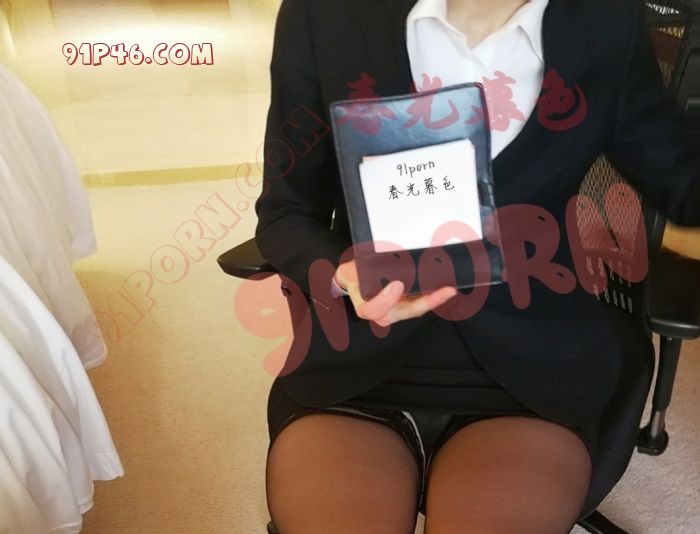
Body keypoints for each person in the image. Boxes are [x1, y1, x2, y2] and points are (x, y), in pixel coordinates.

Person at [254, 0, 700, 532]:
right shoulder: (326, 14)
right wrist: (338, 270)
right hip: (360, 360)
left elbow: (682, 179)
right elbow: (285, 211)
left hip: (532, 366)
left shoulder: (604, 21)